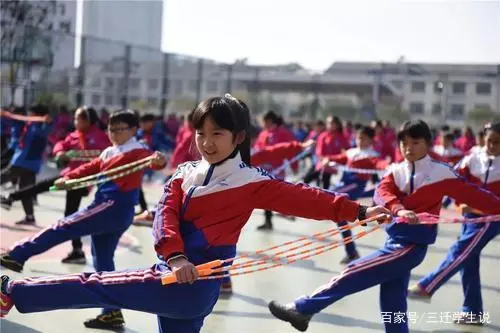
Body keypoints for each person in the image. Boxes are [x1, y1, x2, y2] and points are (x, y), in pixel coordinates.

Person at [0, 95, 389, 333]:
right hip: (177, 274)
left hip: (188, 283)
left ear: (238, 138)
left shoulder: (250, 181)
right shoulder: (184, 174)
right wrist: (175, 255)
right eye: (201, 133)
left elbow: (305, 197)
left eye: (217, 134)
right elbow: (163, 217)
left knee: (95, 283)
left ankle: (12, 290)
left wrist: (359, 209)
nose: (206, 142)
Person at [268, 119, 500, 333]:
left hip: (410, 246)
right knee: (393, 303)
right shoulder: (396, 170)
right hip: (394, 240)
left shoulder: (441, 172)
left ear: (428, 144)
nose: (408, 148)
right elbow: (382, 192)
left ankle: (303, 308)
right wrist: (399, 209)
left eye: (415, 142)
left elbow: (476, 195)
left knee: (354, 271)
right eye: (404, 142)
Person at [0, 109, 167, 330]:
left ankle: (18, 254)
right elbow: (90, 167)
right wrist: (67, 178)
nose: (114, 133)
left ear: (134, 130)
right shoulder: (110, 151)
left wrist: (160, 160)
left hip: (111, 206)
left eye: (120, 129)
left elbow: (154, 162)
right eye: (111, 129)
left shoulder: (137, 150)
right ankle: (112, 313)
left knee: (65, 225)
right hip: (112, 210)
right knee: (103, 263)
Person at [407, 122, 500, 325]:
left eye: (497, 143)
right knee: (469, 260)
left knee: (462, 249)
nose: (492, 146)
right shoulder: (473, 157)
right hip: (469, 217)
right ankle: (472, 311)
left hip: (491, 218)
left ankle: (428, 285)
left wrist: (478, 206)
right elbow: (453, 178)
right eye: (490, 141)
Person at [1, 106, 111, 264]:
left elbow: (103, 154)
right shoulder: (74, 135)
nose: (75, 122)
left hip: (82, 180)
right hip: (69, 176)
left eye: (78, 119)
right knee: (47, 192)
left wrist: (76, 154)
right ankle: (11, 197)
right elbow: (61, 144)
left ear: (88, 120)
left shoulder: (99, 137)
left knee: (70, 215)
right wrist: (60, 153)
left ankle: (77, 250)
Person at [320, 126, 390, 264]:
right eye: (358, 137)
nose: (360, 140)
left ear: (371, 140)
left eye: (364, 138)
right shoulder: (351, 152)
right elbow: (339, 157)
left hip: (356, 185)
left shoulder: (372, 155)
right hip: (345, 184)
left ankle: (366, 212)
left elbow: (380, 163)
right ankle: (351, 252)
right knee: (339, 217)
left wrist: (387, 166)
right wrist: (327, 159)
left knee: (332, 196)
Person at [0, 105, 53, 225]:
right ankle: (30, 217)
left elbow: (48, 130)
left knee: (2, 177)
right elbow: (12, 121)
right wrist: (4, 115)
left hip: (24, 162)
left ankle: (6, 201)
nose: (28, 116)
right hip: (27, 163)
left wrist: (49, 122)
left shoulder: (41, 128)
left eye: (31, 114)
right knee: (24, 191)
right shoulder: (27, 125)